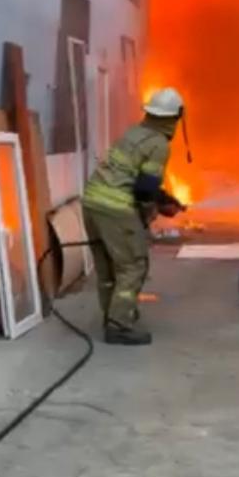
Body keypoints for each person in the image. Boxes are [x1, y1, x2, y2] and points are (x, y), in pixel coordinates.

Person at [82, 87, 186, 345]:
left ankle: (114, 313)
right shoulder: (159, 144)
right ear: (175, 117)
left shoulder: (134, 133)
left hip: (91, 202)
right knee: (133, 265)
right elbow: (144, 189)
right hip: (116, 208)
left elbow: (134, 176)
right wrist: (155, 209)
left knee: (107, 265)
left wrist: (162, 199)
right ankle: (119, 325)